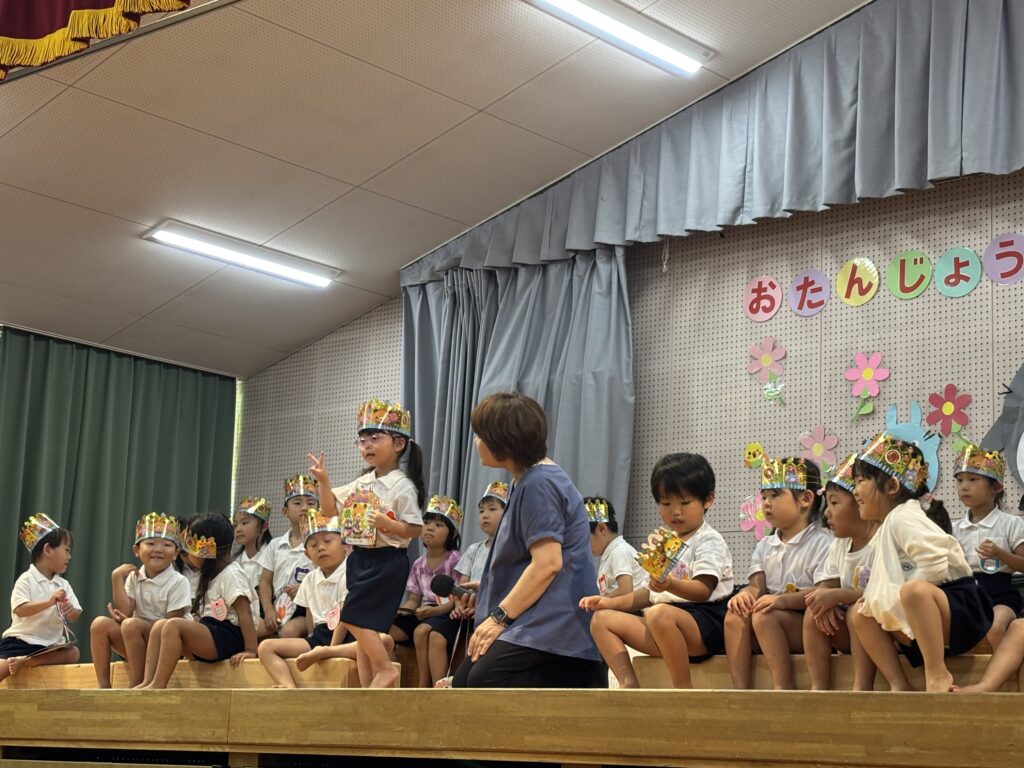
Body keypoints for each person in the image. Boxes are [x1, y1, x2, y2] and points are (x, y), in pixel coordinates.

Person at [452, 391, 604, 688]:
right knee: (464, 682)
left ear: (502, 442)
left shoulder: (539, 483)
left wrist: (499, 617)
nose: (477, 442)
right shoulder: (528, 481)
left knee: (481, 682)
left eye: (481, 435)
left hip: (556, 626)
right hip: (538, 621)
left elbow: (548, 564)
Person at [848, 432, 993, 692]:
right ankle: (899, 684)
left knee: (913, 591)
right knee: (861, 614)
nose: (855, 491)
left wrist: (900, 603)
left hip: (959, 609)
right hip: (926, 620)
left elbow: (934, 563)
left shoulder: (904, 516)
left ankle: (936, 671)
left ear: (892, 486)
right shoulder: (886, 525)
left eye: (860, 481)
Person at [582, 453, 733, 689]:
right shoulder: (666, 541)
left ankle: (682, 689)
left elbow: (703, 590)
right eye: (666, 504)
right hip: (664, 626)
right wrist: (608, 603)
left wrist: (670, 584)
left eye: (685, 503)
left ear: (708, 500)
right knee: (601, 620)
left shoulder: (709, 539)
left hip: (703, 624)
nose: (675, 512)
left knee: (658, 614)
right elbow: (647, 593)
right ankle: (628, 685)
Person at [308, 397, 425, 688]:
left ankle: (386, 669)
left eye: (375, 438)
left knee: (352, 616)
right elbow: (328, 510)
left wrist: (389, 524)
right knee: (365, 629)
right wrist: (324, 481)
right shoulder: (361, 483)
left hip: (387, 560)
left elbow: (414, 529)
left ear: (398, 444)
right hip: (359, 558)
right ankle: (368, 690)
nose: (367, 446)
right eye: (362, 441)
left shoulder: (402, 486)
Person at [725, 455, 832, 689]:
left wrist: (781, 601)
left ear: (805, 499)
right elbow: (756, 586)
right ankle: (739, 691)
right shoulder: (765, 545)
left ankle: (782, 687)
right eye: (764, 497)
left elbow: (825, 593)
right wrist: (745, 595)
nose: (766, 503)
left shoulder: (823, 543)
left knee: (765, 616)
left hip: (807, 628)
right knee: (735, 615)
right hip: (770, 621)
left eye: (775, 495)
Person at [139, 513, 258, 688]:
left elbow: (245, 612)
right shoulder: (210, 576)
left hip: (229, 638)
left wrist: (250, 650)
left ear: (205, 549)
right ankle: (147, 681)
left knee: (173, 625)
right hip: (213, 632)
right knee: (160, 626)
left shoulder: (232, 574)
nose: (186, 553)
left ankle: (158, 684)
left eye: (189, 545)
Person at [801, 455, 877, 690]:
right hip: (849, 632)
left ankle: (861, 688)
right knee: (814, 613)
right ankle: (818, 689)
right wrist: (824, 599)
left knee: (858, 610)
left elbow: (884, 594)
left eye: (834, 503)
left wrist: (839, 596)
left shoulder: (882, 539)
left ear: (859, 502)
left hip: (884, 629)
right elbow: (827, 585)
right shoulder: (839, 545)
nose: (826, 513)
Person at [90, 512, 191, 687]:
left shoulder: (178, 581)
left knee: (131, 625)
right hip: (136, 639)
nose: (158, 549)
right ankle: (103, 685)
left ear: (176, 553)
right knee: (99, 624)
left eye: (167, 545)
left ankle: (137, 684)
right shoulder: (134, 576)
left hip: (164, 646)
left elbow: (169, 625)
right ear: (136, 550)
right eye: (150, 543)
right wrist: (116, 578)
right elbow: (125, 610)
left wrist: (132, 623)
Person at [257, 510, 353, 688]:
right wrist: (312, 642)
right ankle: (289, 687)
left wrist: (330, 650)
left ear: (345, 545)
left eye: (327, 541)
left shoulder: (351, 572)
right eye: (314, 545)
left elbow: (345, 619)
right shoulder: (309, 579)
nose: (321, 548)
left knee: (380, 642)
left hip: (347, 636)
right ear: (308, 555)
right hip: (319, 636)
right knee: (265, 647)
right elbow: (310, 618)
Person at [950, 442, 1024, 649]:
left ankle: (1005, 668)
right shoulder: (954, 529)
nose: (964, 486)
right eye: (959, 480)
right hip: (965, 593)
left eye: (973, 479)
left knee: (995, 627)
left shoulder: (1011, 523)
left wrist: (1001, 554)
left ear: (996, 487)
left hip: (1001, 594)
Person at [390, 495, 463, 687]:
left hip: (445, 612)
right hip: (424, 613)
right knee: (385, 631)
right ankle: (392, 684)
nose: (430, 528)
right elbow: (414, 599)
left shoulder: (454, 559)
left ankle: (424, 684)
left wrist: (433, 611)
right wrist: (403, 611)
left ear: (452, 533)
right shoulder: (418, 563)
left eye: (439, 525)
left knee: (421, 631)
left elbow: (456, 599)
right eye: (427, 523)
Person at [0, 514, 81, 682]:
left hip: (48, 647)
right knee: (3, 667)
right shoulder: (26, 579)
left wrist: (70, 610)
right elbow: (20, 609)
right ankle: (20, 660)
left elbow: (75, 615)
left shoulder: (64, 584)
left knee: (73, 653)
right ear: (48, 550)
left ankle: (26, 662)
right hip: (20, 642)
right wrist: (50, 602)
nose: (69, 556)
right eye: (66, 550)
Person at [257, 476, 317, 639]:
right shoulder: (275, 545)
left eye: (311, 503)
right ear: (285, 511)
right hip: (277, 604)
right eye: (297, 503)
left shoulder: (320, 545)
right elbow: (265, 582)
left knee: (289, 631)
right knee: (251, 629)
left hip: (305, 608)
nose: (304, 508)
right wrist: (268, 609)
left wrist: (304, 589)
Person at [585, 497, 648, 599]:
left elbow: (626, 591)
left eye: (584, 538)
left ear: (602, 529)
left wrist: (600, 601)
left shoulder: (619, 552)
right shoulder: (611, 554)